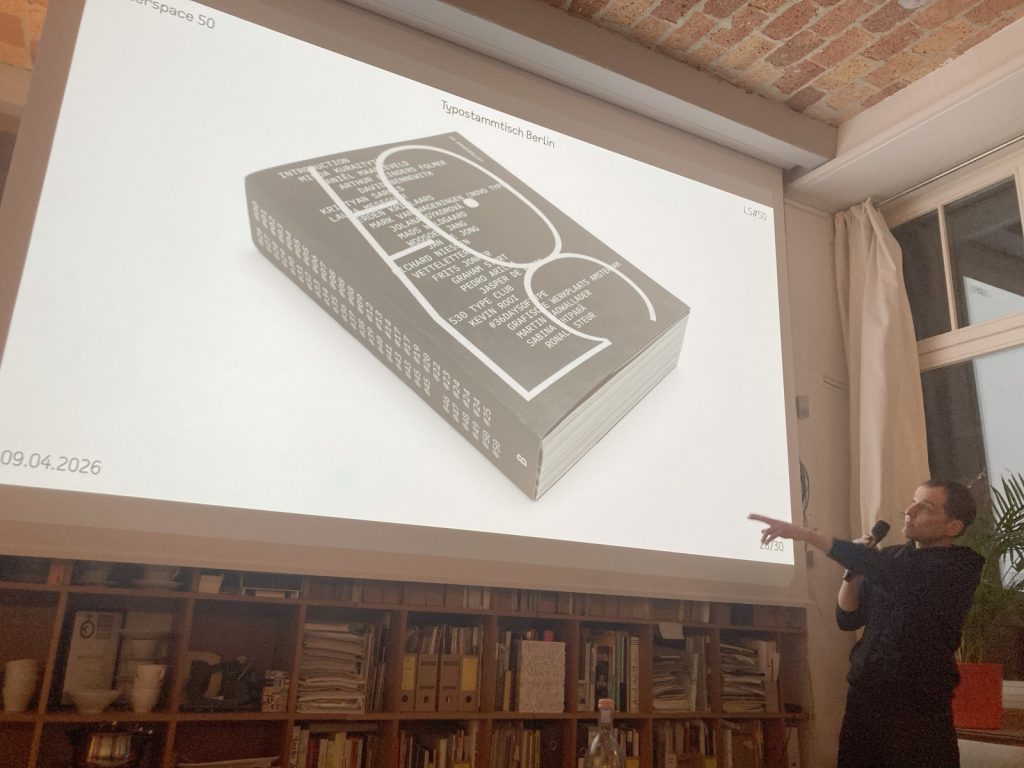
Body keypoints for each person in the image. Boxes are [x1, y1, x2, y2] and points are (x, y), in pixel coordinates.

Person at [750, 479, 984, 768]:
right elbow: (848, 618)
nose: (910, 511)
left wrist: (806, 534)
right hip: (865, 695)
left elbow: (895, 575)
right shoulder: (892, 555)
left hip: (917, 705)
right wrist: (853, 572)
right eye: (913, 501)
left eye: (924, 507)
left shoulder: (959, 566)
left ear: (953, 527)